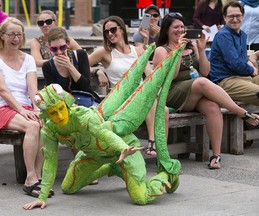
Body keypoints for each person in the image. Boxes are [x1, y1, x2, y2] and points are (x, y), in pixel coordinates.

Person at [22, 44, 182, 209]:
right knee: (68, 187)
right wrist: (42, 197)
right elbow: (50, 161)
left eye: (61, 109)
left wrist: (123, 148)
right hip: (93, 155)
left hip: (125, 149)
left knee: (141, 197)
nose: (60, 116)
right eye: (53, 113)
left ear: (67, 104)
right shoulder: (50, 130)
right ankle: (112, 167)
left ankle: (167, 175)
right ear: (47, 115)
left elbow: (104, 133)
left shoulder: (83, 117)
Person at [152, 12, 259, 169]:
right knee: (201, 82)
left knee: (212, 107)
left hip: (193, 92)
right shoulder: (161, 51)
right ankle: (241, 112)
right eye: (175, 27)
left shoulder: (191, 46)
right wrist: (177, 51)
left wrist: (202, 50)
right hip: (171, 93)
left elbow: (205, 71)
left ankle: (216, 156)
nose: (180, 30)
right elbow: (171, 77)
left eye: (182, 26)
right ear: (166, 30)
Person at [209, 1, 259, 158]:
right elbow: (234, 63)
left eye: (238, 15)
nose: (235, 18)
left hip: (244, 79)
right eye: (231, 16)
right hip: (227, 82)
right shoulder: (223, 35)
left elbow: (242, 59)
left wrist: (249, 65)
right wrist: (251, 68)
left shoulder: (242, 34)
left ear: (243, 16)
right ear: (224, 18)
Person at [89, 16, 169, 156]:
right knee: (150, 100)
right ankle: (153, 142)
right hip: (121, 100)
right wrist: (97, 70)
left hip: (139, 97)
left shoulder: (138, 51)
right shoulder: (105, 52)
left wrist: (145, 41)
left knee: (164, 110)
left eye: (113, 30)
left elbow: (151, 77)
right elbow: (81, 66)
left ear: (122, 29)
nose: (110, 34)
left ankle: (162, 154)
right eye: (106, 32)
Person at [0, 17, 52, 198]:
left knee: (43, 124)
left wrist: (36, 109)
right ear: (2, 36)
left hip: (24, 107)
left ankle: (37, 176)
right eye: (11, 34)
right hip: (3, 107)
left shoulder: (28, 59)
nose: (15, 39)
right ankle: (29, 178)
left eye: (19, 34)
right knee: (31, 126)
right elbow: (3, 91)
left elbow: (32, 89)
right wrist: (23, 111)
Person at [42, 26, 101, 106]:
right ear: (49, 48)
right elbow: (53, 94)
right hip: (65, 105)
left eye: (62, 47)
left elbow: (86, 86)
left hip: (86, 101)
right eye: (54, 49)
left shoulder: (80, 55)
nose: (59, 52)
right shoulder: (47, 66)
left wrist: (70, 66)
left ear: (68, 44)